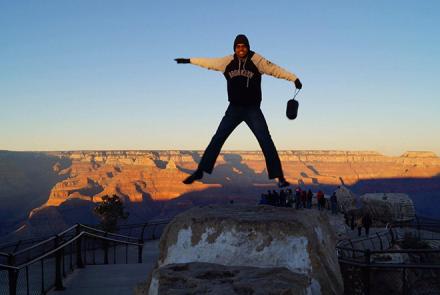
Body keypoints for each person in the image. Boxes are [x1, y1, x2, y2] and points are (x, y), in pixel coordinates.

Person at [175, 34, 302, 187]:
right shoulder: (227, 61)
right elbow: (208, 63)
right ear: (234, 48)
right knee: (218, 138)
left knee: (265, 140)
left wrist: (293, 78)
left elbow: (275, 69)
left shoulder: (257, 60)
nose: (241, 49)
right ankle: (200, 171)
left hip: (252, 109)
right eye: (238, 46)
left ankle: (279, 177)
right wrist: (189, 60)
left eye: (244, 46)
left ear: (248, 47)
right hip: (234, 108)